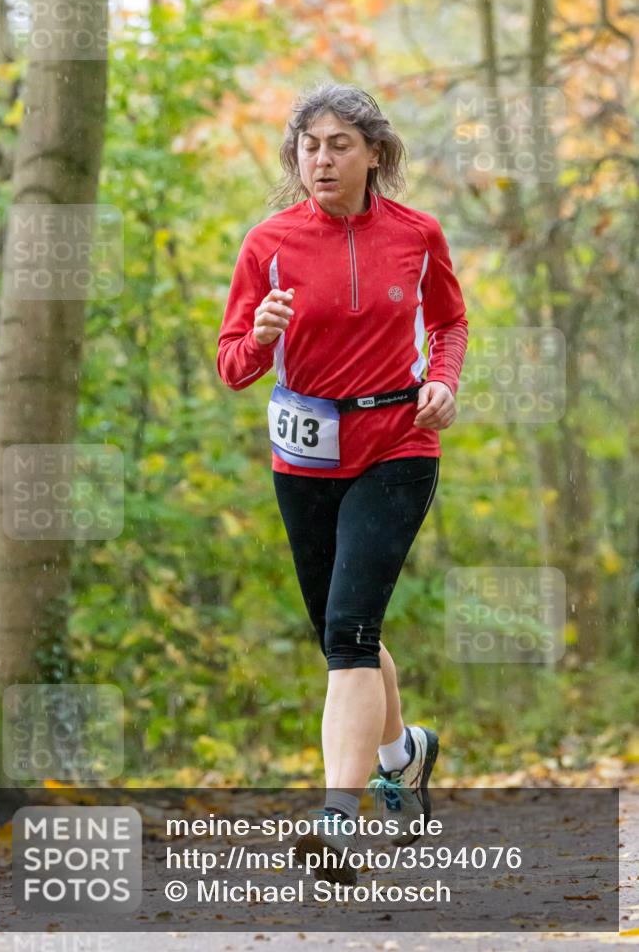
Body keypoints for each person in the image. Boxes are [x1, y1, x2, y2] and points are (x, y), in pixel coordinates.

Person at [216, 83, 467, 883]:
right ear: (294, 157)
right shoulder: (269, 243)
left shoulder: (417, 235)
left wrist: (445, 382)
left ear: (373, 154)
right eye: (308, 146)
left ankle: (336, 820)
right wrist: (258, 338)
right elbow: (231, 367)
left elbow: (448, 321)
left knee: (351, 633)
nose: (321, 159)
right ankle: (402, 752)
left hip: (399, 442)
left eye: (338, 144)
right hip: (305, 457)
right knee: (340, 631)